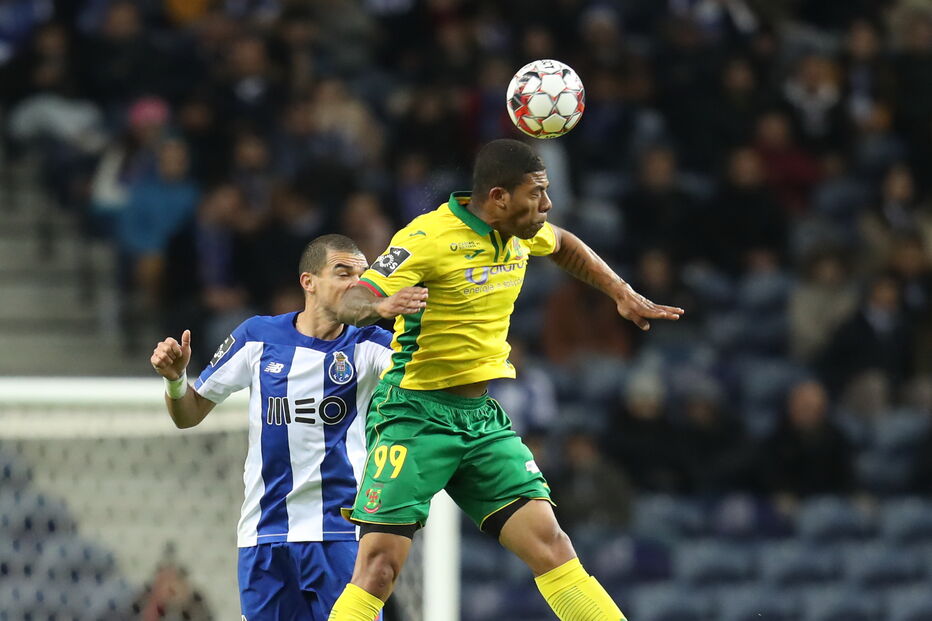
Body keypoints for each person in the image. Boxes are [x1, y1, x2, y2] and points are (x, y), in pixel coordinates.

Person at [327, 139, 684, 621]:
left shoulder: (520, 231)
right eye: (536, 193)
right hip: (412, 417)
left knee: (552, 545)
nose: (547, 204)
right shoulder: (428, 237)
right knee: (379, 569)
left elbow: (564, 245)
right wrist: (381, 304)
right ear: (498, 197)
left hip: (480, 421)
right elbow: (349, 300)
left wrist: (619, 291)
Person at [149, 234, 425, 620]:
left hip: (340, 536)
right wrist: (176, 380)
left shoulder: (372, 345)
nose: (356, 284)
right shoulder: (257, 337)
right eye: (343, 273)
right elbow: (188, 415)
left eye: (363, 277)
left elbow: (427, 377)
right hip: (264, 535)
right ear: (308, 281)